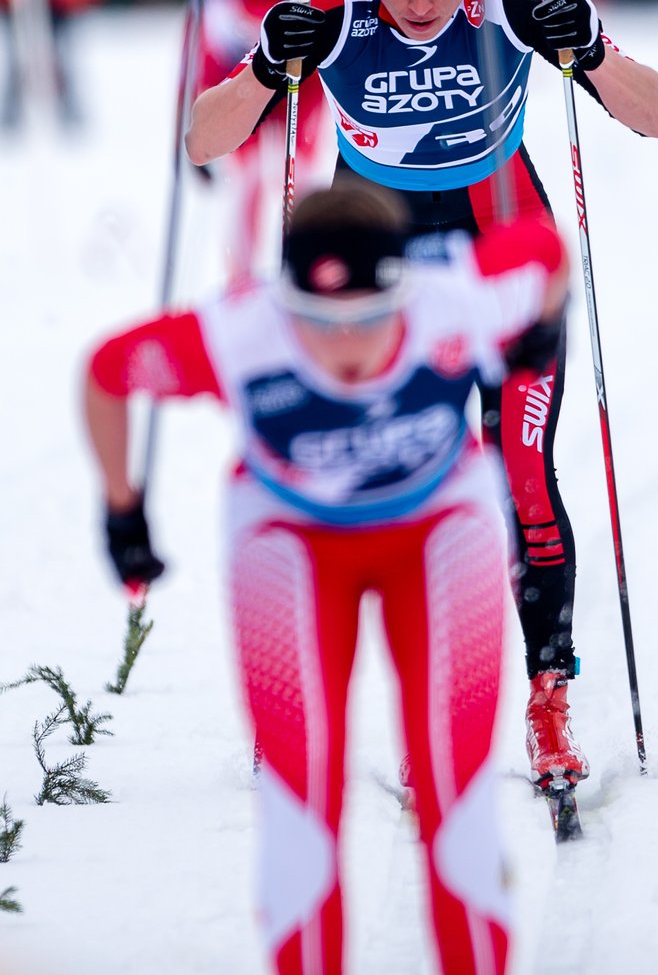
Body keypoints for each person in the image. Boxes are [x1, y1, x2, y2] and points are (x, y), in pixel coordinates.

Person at [186, 0, 658, 797]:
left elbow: (657, 116)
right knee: (407, 477)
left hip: (506, 265)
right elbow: (205, 143)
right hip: (384, 278)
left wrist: (592, 53)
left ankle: (548, 700)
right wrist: (261, 66)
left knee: (524, 474)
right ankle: (431, 708)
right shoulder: (331, 2)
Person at [82, 179, 571, 975]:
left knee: (456, 794)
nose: (346, 347)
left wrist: (544, 330)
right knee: (300, 798)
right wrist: (121, 507)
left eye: (373, 319)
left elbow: (548, 249)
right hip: (292, 542)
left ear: (406, 290)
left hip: (438, 530)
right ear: (286, 299)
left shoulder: (460, 295)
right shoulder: (237, 332)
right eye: (318, 320)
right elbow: (107, 373)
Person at [195, 0, 328, 282]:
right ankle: (245, 278)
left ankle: (298, 266)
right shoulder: (219, 15)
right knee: (254, 178)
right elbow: (205, 79)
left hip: (293, 85)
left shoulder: (300, 7)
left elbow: (319, 75)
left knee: (293, 177)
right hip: (241, 86)